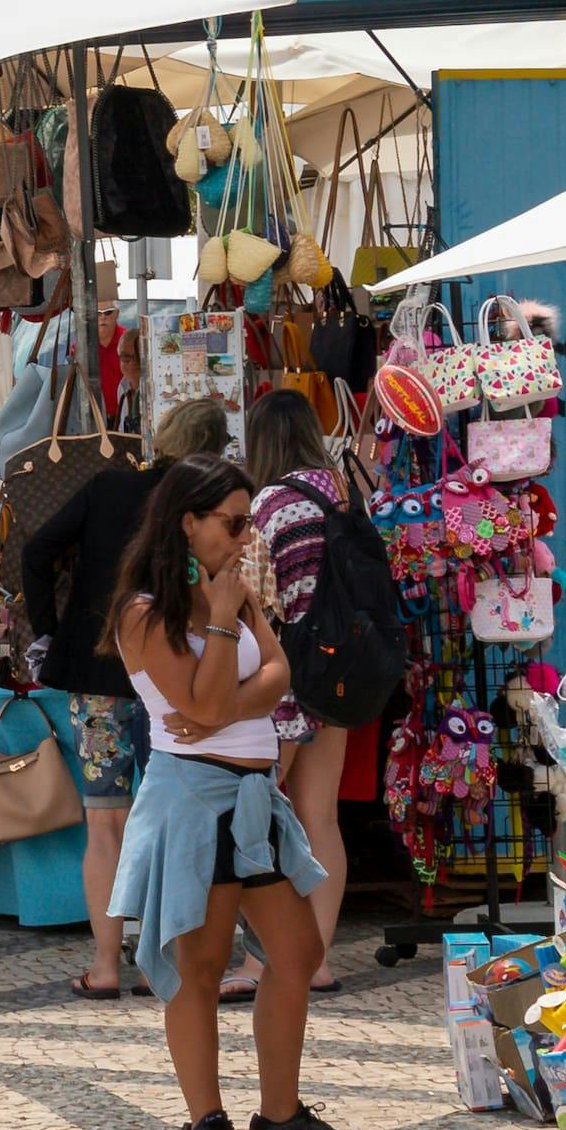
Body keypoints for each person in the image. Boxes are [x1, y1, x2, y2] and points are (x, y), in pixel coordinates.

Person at [104, 458, 365, 1130]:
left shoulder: (238, 594)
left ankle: (278, 1117)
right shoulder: (143, 613)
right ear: (187, 521)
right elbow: (206, 701)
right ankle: (203, 1124)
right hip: (193, 799)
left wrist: (227, 689)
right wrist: (221, 627)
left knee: (298, 952)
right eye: (233, 521)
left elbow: (278, 677)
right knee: (202, 967)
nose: (245, 535)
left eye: (248, 519)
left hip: (251, 799)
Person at [22, 402, 233, 1001]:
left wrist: (49, 631)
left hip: (100, 673)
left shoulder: (109, 487)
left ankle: (106, 965)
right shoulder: (204, 512)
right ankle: (159, 962)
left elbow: (38, 550)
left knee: (106, 821)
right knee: (172, 818)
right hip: (176, 677)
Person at [241, 390, 384, 994]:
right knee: (320, 818)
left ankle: (260, 963)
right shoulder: (347, 491)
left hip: (285, 672)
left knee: (262, 821)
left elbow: (256, 598)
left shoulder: (267, 504)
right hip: (343, 669)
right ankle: (317, 959)